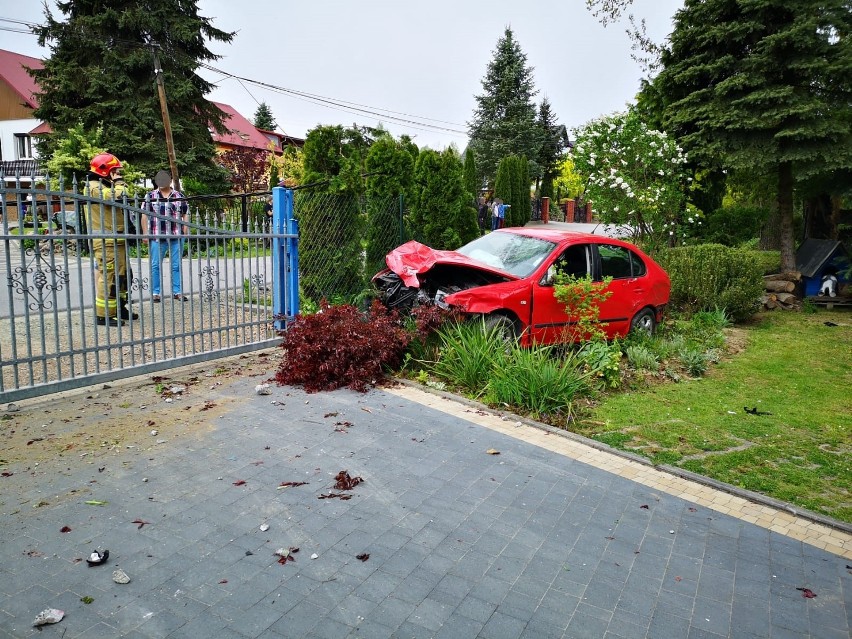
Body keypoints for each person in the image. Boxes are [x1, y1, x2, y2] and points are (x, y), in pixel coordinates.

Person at [87, 153, 136, 326]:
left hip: (117, 239)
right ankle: (104, 315)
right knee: (109, 277)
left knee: (122, 277)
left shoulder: (105, 185)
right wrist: (120, 182)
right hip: (106, 240)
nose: (117, 173)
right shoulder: (93, 187)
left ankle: (119, 308)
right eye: (114, 170)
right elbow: (114, 197)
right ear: (105, 170)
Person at [141, 170, 189, 302]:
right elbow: (144, 214)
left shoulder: (178, 195)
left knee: (176, 265)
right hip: (157, 236)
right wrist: (145, 233)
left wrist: (185, 229)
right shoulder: (150, 196)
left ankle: (177, 292)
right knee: (155, 265)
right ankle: (155, 293)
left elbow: (185, 213)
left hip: (176, 235)